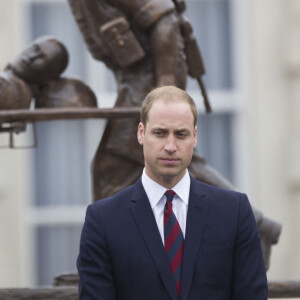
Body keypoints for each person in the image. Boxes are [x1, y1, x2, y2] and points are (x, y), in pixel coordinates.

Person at [77, 86, 268, 300]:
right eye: (160, 133)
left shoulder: (235, 212)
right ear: (141, 133)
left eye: (181, 134)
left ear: (194, 137)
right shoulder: (103, 220)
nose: (170, 146)